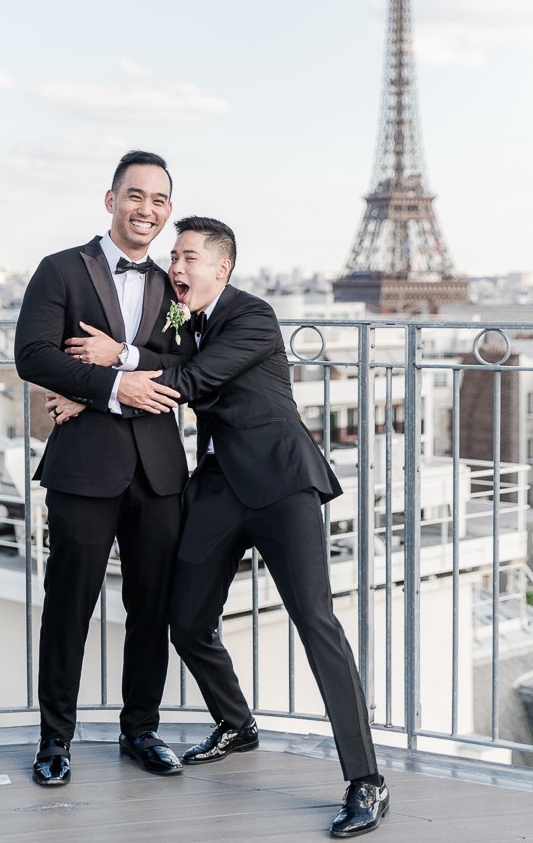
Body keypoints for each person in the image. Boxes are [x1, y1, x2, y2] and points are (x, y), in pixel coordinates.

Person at [110, 216, 390, 838]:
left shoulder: (253, 316)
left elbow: (190, 379)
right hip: (214, 489)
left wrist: (116, 362)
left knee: (316, 623)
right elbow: (166, 362)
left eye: (187, 258)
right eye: (173, 257)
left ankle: (366, 779)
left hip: (279, 483)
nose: (174, 268)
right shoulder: (185, 321)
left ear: (222, 269)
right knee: (186, 622)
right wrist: (92, 389)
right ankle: (236, 723)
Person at [14, 150, 194, 787]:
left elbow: (190, 368)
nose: (147, 210)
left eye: (159, 201)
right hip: (85, 468)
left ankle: (140, 730)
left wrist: (115, 364)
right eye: (136, 196)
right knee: (69, 606)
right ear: (111, 198)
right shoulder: (61, 269)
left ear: (168, 212)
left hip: (159, 474)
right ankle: (54, 740)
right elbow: (31, 355)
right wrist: (110, 388)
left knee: (153, 609)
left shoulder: (174, 288)